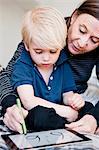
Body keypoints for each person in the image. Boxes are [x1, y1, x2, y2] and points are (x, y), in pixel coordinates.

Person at [1, 0, 99, 133]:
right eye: (81, 30)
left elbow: (69, 94)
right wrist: (10, 105)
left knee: (88, 108)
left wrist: (94, 117)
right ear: (74, 17)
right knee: (40, 117)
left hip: (69, 102)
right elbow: (6, 75)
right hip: (41, 105)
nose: (82, 43)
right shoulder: (44, 32)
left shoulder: (63, 66)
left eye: (94, 40)